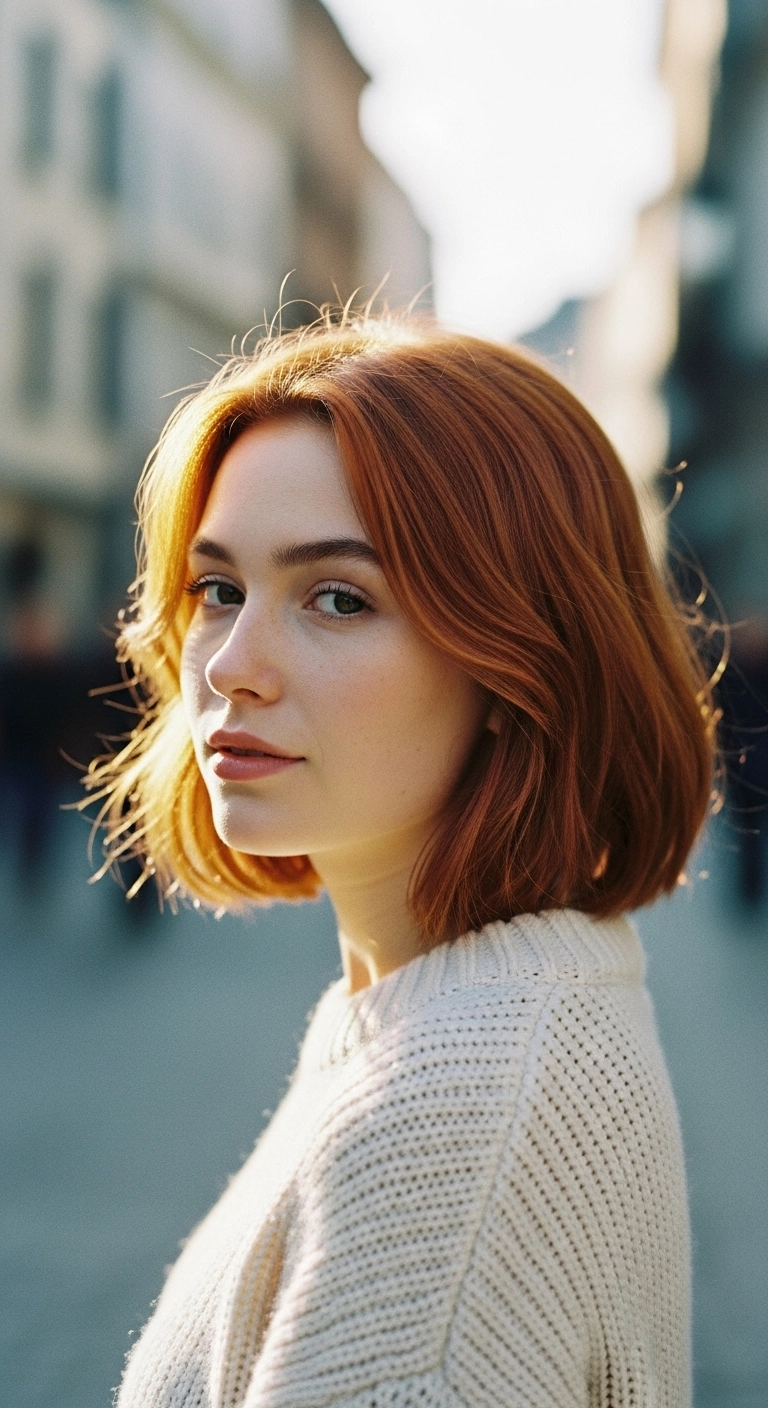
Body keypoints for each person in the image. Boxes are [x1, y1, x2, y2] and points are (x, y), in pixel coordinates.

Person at [86, 316, 717, 1407]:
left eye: (338, 597)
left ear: (524, 660)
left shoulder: (456, 1114)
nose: (232, 666)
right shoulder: (502, 1004)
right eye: (219, 589)